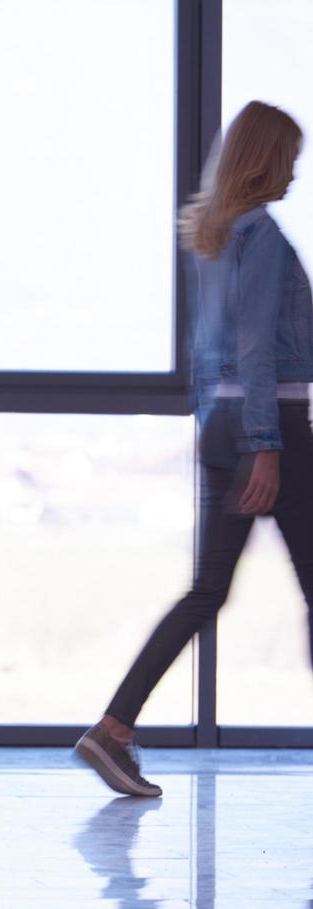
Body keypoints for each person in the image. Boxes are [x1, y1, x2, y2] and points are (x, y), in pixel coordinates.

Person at [77, 100, 313, 796]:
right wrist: (265, 444)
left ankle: (112, 730)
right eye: (291, 157)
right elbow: (254, 352)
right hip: (269, 430)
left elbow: (204, 358)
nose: (296, 171)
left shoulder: (211, 237)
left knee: (206, 589)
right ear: (265, 159)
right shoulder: (261, 235)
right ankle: (110, 732)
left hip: (221, 427)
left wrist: (225, 430)